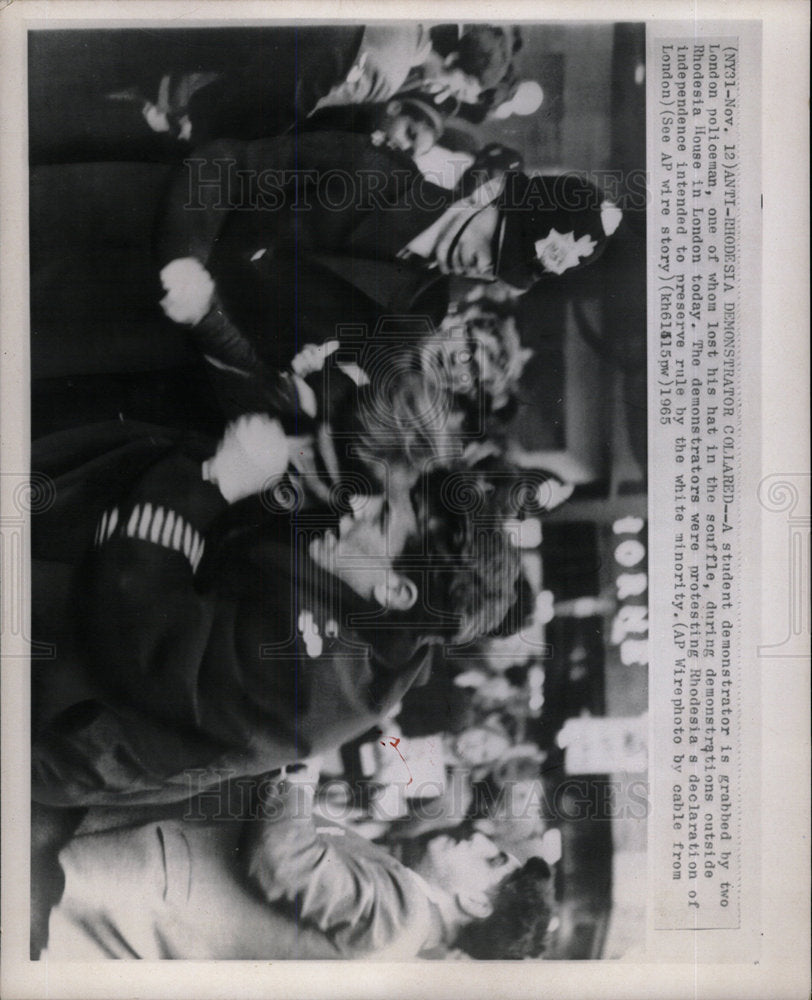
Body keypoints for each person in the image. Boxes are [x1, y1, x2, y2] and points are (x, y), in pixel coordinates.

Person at [31, 405, 522, 807]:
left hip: (58, 718)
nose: (357, 510)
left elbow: (140, 629)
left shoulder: (310, 678)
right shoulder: (387, 618)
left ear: (398, 592)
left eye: (381, 517)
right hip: (84, 628)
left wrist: (214, 481)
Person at [41, 768, 554, 960]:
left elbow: (284, 861)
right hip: (153, 902)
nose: (474, 838)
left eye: (491, 859)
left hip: (148, 884)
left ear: (475, 901)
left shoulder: (401, 913)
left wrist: (297, 777)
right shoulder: (405, 931)